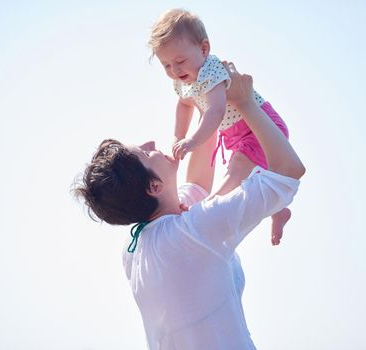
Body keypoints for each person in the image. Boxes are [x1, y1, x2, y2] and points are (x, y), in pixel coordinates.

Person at [74, 63, 305, 349]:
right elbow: (289, 172)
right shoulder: (191, 232)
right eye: (146, 153)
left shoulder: (139, 246)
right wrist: (246, 104)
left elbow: (197, 184)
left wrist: (205, 88)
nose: (151, 142)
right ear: (154, 187)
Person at [149, 8, 293, 245]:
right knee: (251, 179)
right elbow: (184, 105)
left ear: (204, 49)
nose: (174, 71)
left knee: (235, 175)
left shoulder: (211, 69)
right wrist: (178, 136)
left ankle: (204, 210)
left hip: (258, 127)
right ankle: (278, 210)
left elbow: (214, 111)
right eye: (166, 66)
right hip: (237, 134)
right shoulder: (182, 80)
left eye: (179, 61)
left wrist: (193, 142)